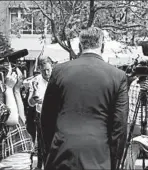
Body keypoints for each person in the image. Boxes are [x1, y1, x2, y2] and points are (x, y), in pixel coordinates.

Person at [41, 27, 129, 170]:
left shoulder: (59, 71)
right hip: (99, 153)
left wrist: (49, 151)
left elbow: (47, 118)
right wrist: (114, 160)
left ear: (80, 46)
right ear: (102, 45)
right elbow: (119, 125)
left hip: (62, 150)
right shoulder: (117, 76)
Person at [27, 55, 53, 169]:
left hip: (54, 114)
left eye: (48, 70)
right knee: (42, 143)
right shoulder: (35, 81)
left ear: (52, 67)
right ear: (39, 69)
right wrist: (34, 97)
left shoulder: (57, 78)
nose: (46, 73)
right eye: (43, 71)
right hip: (40, 114)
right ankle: (39, 166)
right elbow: (30, 103)